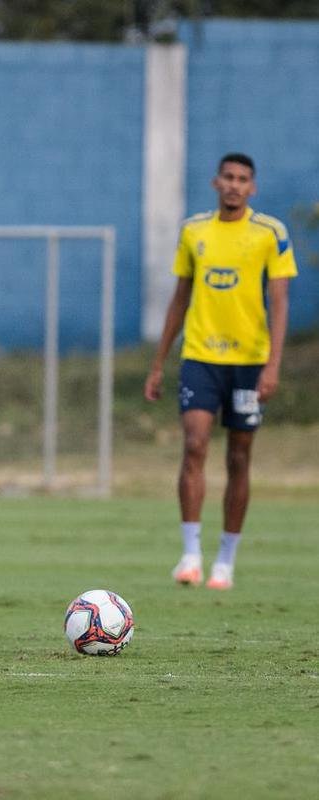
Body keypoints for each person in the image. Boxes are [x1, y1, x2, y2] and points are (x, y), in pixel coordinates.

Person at [145, 152, 297, 591]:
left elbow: (280, 301)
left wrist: (273, 365)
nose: (234, 184)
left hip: (249, 363)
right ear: (216, 183)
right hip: (200, 357)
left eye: (242, 179)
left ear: (252, 187)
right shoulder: (194, 230)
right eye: (228, 177)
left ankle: (226, 560)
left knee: (238, 457)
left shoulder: (271, 233)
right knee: (194, 445)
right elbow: (180, 297)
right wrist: (158, 363)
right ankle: (191, 555)